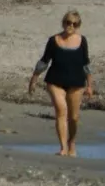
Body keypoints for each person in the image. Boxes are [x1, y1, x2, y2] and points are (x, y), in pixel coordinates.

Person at [27, 10, 94, 157]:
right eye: (68, 22)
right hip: (55, 81)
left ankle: (72, 142)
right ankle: (63, 147)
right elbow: (44, 61)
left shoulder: (82, 41)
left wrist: (90, 85)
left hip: (76, 82)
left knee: (74, 117)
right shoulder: (53, 40)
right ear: (63, 23)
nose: (70, 26)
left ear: (78, 25)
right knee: (61, 111)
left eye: (74, 24)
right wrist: (34, 78)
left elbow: (86, 64)